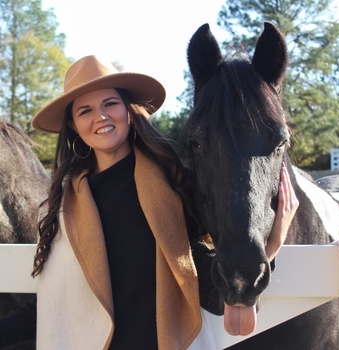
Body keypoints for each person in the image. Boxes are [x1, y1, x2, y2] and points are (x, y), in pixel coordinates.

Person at [0, 55, 298, 349]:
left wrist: (272, 244)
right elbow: (54, 305)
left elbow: (210, 292)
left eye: (110, 103)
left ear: (129, 110)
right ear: (74, 126)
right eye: (85, 110)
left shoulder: (173, 187)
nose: (100, 116)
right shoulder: (64, 207)